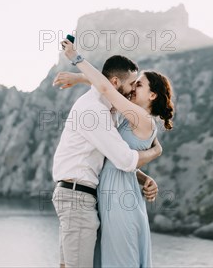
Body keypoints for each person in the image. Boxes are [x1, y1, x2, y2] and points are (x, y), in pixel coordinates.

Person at [58, 39, 175, 268]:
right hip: (109, 195)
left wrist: (75, 59)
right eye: (134, 83)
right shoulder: (129, 117)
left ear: (152, 96)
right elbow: (112, 85)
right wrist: (146, 172)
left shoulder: (139, 118)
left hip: (121, 199)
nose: (133, 88)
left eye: (139, 85)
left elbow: (106, 88)